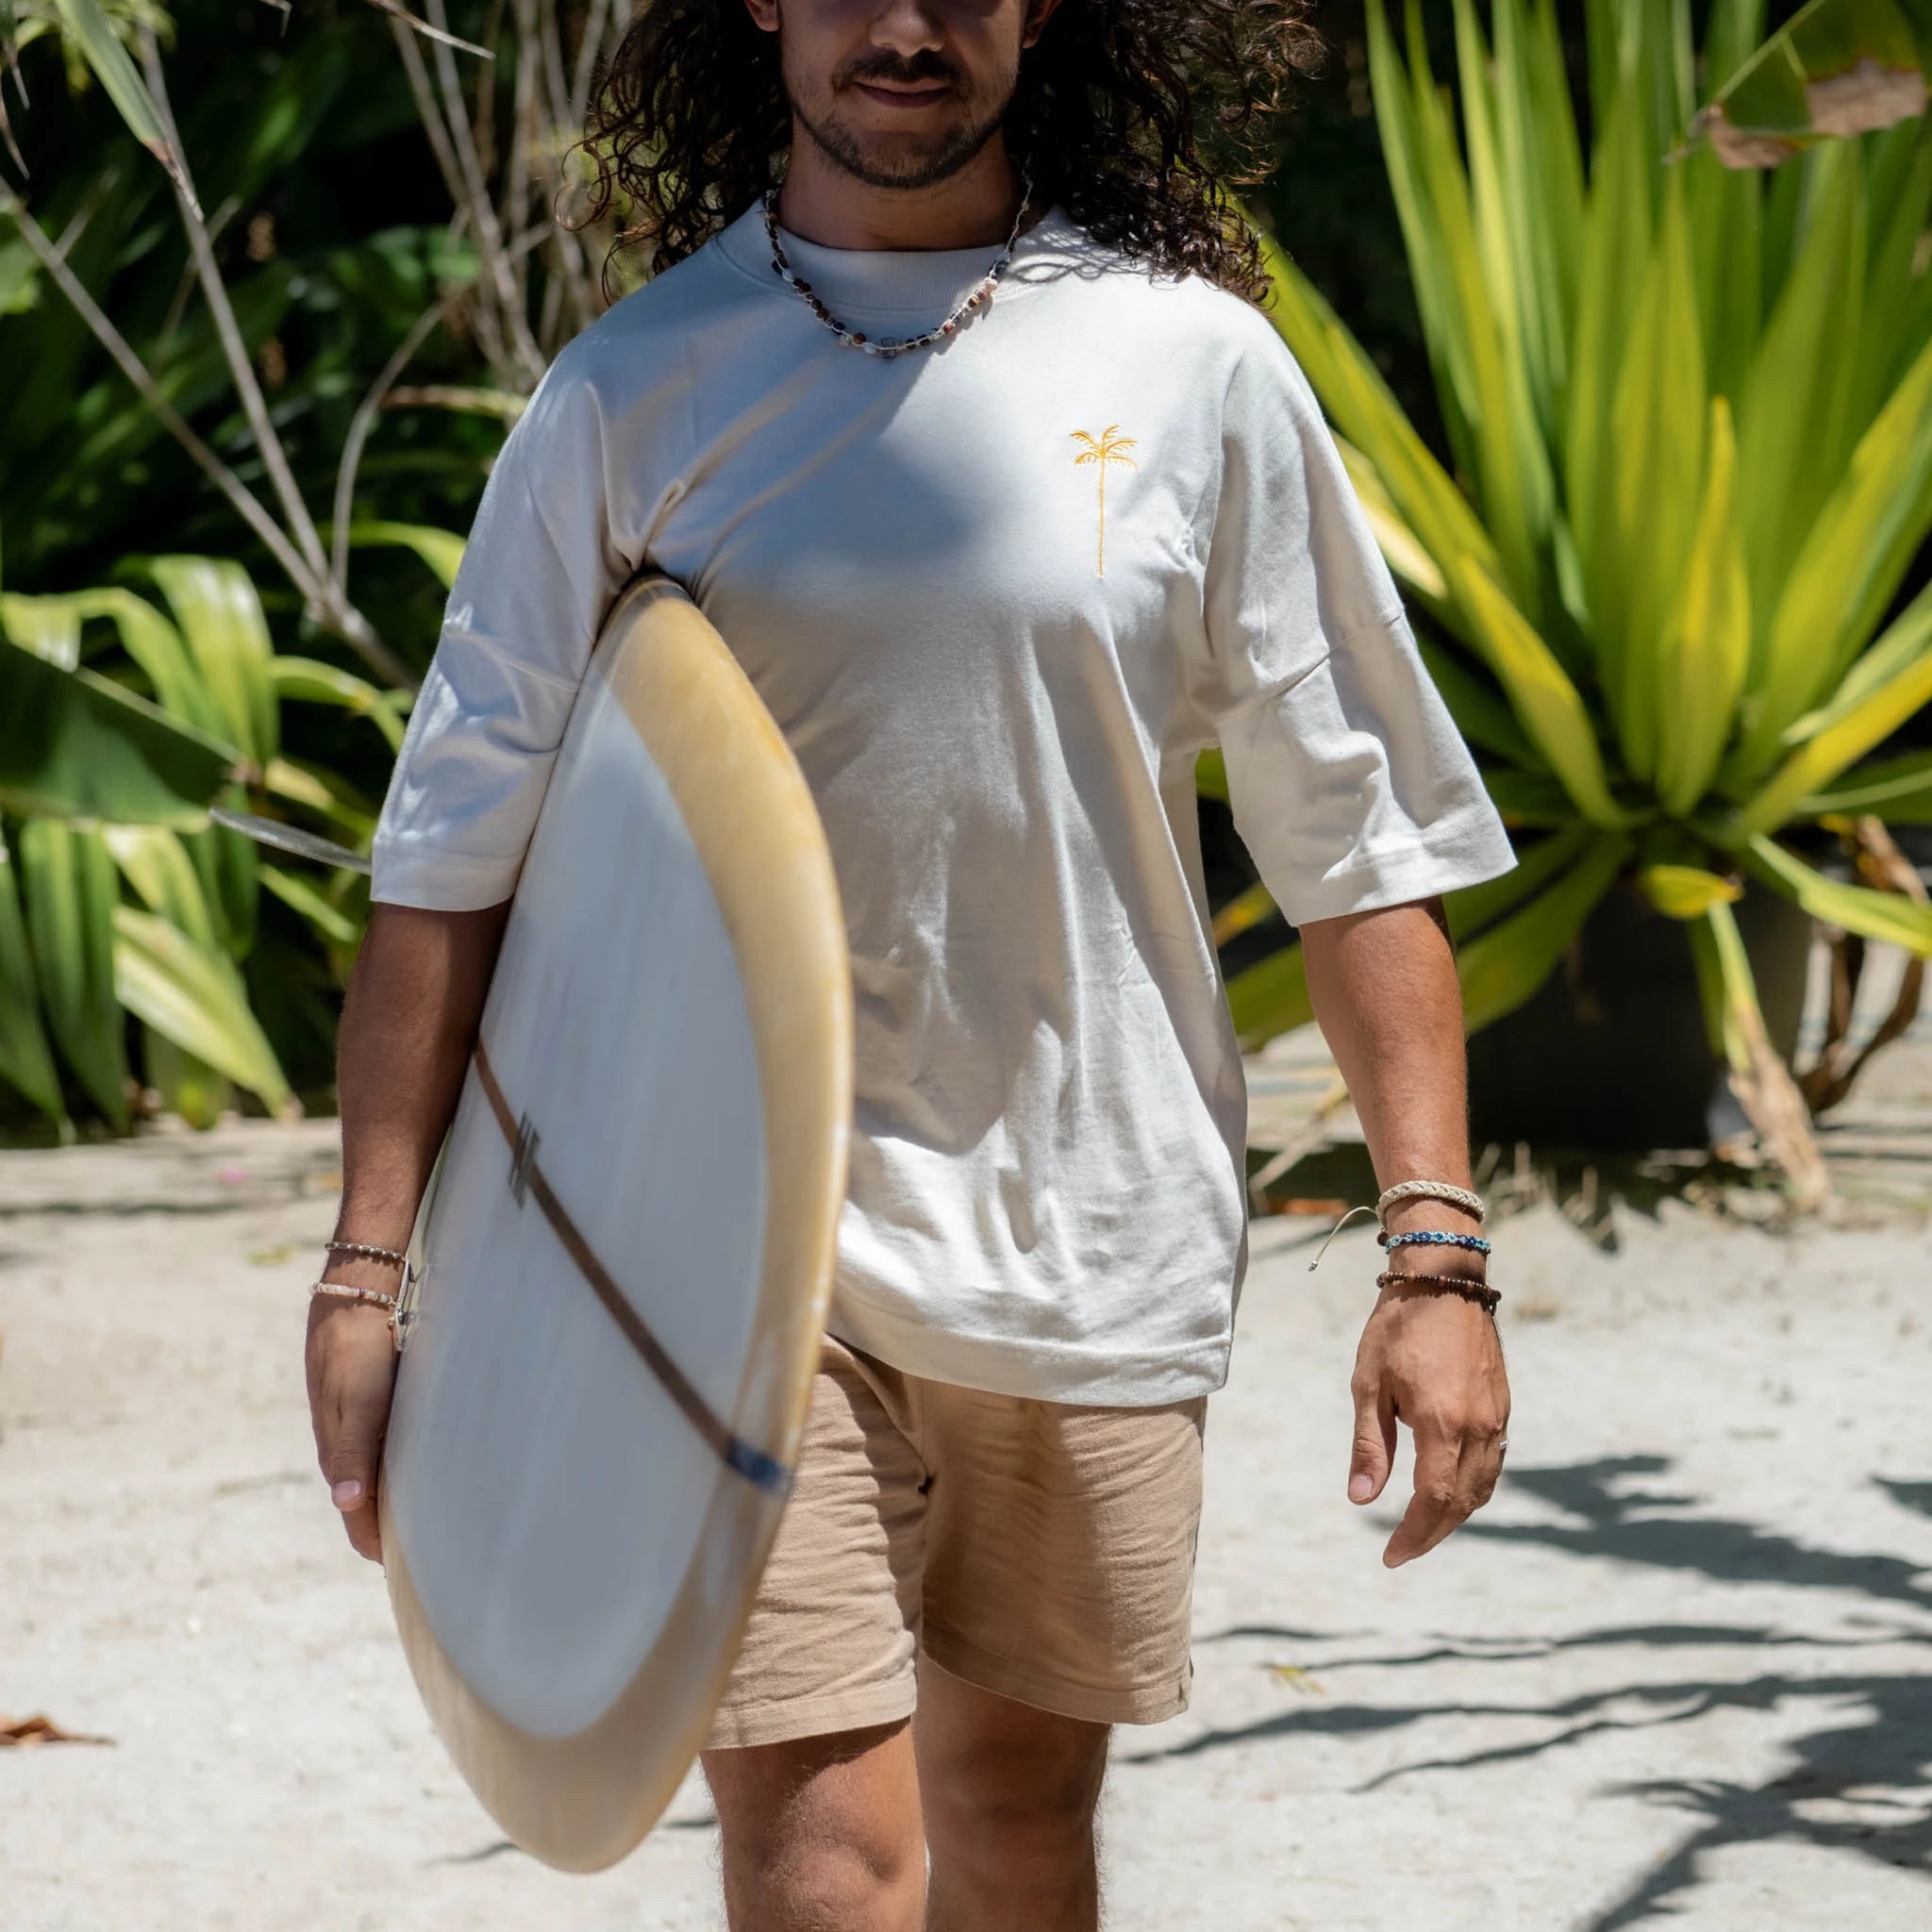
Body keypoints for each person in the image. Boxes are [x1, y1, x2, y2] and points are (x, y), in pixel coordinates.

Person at [305, 0, 1516, 1924]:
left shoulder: (1192, 370)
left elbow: (1356, 843)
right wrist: (372, 1263)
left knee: (1018, 1824)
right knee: (829, 1858)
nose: (903, 27)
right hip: (721, 1254)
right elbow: (452, 856)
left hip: (1087, 1223)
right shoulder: (632, 391)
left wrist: (1433, 1251)